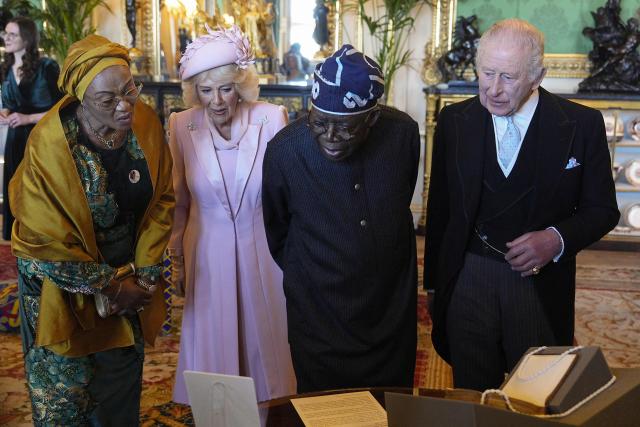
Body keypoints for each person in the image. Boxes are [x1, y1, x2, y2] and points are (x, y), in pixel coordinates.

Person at [423, 19, 619, 391]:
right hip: (468, 278)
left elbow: (603, 210)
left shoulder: (582, 124)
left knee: (535, 395)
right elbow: (442, 211)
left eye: (508, 78)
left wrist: (555, 239)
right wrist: (434, 286)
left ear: (537, 76)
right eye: (487, 73)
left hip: (539, 288)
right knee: (472, 395)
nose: (493, 89)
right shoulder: (454, 120)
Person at [10, 34, 174, 425]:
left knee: (118, 389)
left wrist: (144, 278)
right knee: (68, 397)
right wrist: (111, 286)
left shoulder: (144, 124)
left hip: (126, 278)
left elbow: (161, 201)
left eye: (130, 90)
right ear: (83, 98)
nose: (124, 105)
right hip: (60, 285)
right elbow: (42, 239)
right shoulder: (49, 145)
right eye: (107, 100)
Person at [262, 44, 420, 393]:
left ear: (372, 119)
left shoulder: (402, 134)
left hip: (388, 307)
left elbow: (399, 197)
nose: (330, 138)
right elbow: (276, 229)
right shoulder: (285, 150)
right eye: (320, 123)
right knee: (323, 408)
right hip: (318, 310)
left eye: (347, 128)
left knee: (390, 406)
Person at [168, 24, 296, 404]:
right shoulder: (180, 124)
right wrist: (177, 262)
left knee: (265, 343)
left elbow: (286, 200)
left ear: (239, 84)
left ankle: (268, 412)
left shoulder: (271, 119)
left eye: (225, 88)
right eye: (206, 91)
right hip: (205, 252)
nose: (217, 100)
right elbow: (179, 202)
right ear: (195, 92)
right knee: (214, 344)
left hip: (263, 252)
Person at [0, 16, 62, 240]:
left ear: (26, 39)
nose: (6, 38)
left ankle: (40, 239)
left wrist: (27, 118)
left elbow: (63, 108)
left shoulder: (47, 67)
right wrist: (5, 113)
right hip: (15, 140)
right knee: (16, 190)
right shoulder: (6, 67)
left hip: (41, 139)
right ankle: (18, 236)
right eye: (5, 33)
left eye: (12, 34)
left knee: (37, 191)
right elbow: (9, 104)